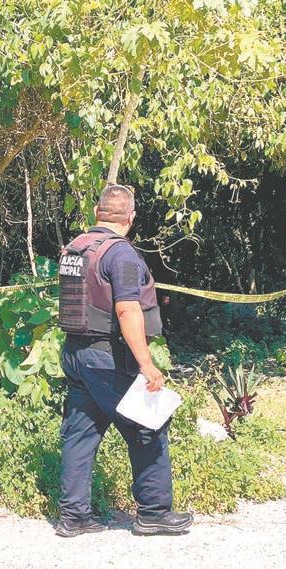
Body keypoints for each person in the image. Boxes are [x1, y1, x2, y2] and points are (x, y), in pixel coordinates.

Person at [55, 183, 193, 538]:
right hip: (108, 357)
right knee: (148, 427)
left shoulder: (76, 248)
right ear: (130, 217)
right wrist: (146, 364)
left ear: (97, 212)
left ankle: (74, 517)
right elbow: (127, 309)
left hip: (75, 353)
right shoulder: (121, 255)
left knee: (80, 434)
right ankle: (154, 513)